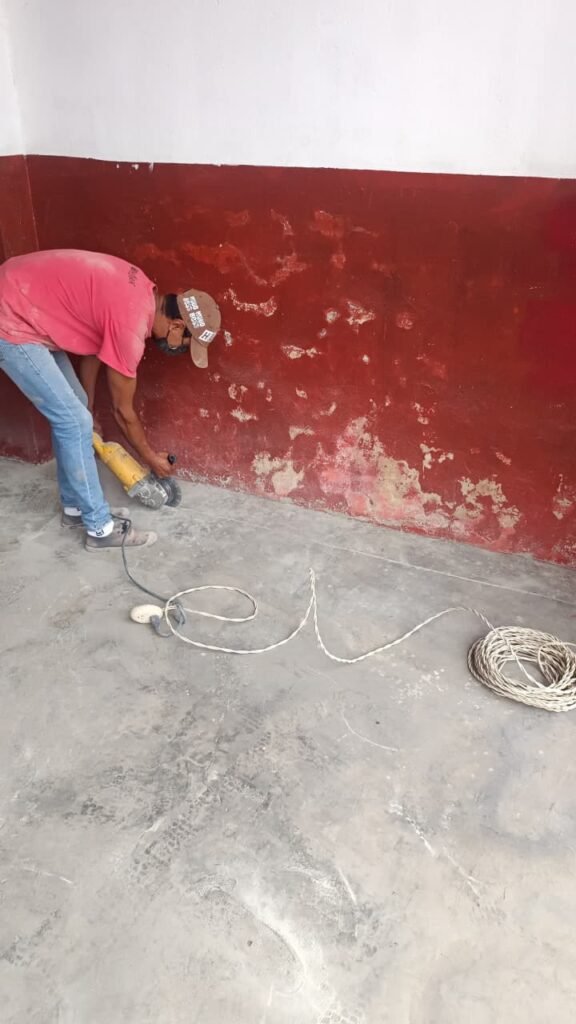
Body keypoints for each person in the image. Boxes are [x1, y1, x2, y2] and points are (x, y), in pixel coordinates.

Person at [0, 249, 221, 551]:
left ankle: (75, 509)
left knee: (76, 411)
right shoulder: (131, 326)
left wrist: (88, 405)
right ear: (176, 326)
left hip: (22, 300)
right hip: (10, 317)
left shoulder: (140, 292)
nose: (180, 350)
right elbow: (122, 411)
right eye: (185, 343)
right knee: (73, 421)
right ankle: (100, 529)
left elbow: (95, 347)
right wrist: (150, 458)